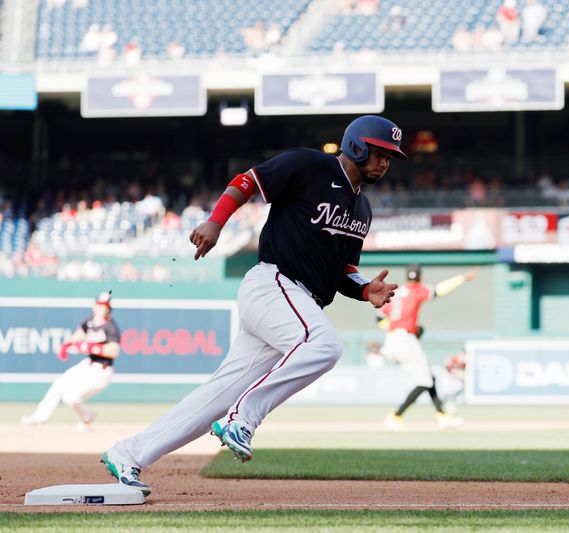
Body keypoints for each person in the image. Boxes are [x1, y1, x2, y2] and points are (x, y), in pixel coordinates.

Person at [100, 115, 406, 496]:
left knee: (216, 395)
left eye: (390, 157)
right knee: (326, 345)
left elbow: (344, 270)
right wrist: (216, 222)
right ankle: (244, 417)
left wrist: (364, 291)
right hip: (273, 283)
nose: (385, 163)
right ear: (357, 146)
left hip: (293, 303)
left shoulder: (363, 210)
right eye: (379, 153)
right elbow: (247, 181)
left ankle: (129, 453)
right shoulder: (311, 164)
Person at [380, 265, 477, 431]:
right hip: (405, 339)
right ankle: (395, 416)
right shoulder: (416, 288)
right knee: (424, 380)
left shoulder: (397, 293)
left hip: (392, 339)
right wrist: (462, 278)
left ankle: (442, 416)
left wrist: (396, 327)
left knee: (429, 378)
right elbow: (438, 291)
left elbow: (380, 318)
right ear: (419, 277)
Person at [21, 292, 120, 429]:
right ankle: (39, 418)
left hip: (102, 370)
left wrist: (91, 347)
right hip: (88, 364)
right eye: (99, 305)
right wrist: (67, 345)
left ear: (109, 308)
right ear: (94, 305)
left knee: (70, 397)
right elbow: (79, 335)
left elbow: (114, 351)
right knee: (58, 384)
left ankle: (87, 415)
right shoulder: (90, 321)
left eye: (104, 306)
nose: (101, 308)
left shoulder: (111, 327)